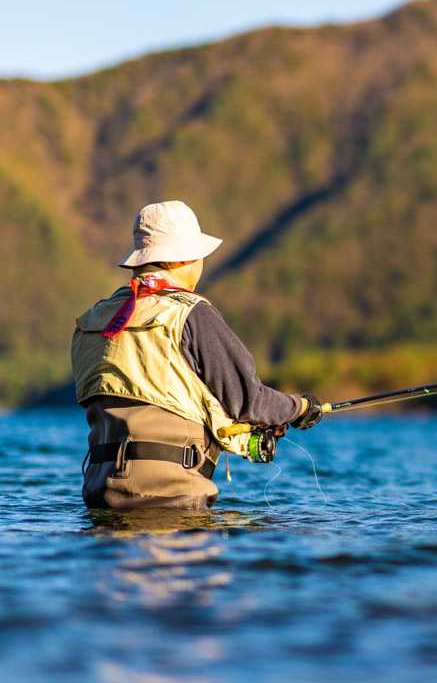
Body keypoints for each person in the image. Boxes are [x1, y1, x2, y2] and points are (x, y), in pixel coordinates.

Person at [71, 200, 324, 511]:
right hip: (171, 499)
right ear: (181, 260)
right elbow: (250, 401)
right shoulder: (190, 314)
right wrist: (300, 408)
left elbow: (166, 391)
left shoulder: (96, 319)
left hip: (99, 494)